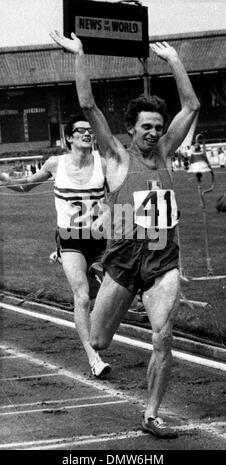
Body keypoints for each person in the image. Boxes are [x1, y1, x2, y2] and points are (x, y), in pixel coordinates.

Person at [50, 31, 200, 438]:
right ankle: (107, 285)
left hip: (161, 258)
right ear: (131, 130)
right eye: (146, 127)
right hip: (122, 259)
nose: (154, 132)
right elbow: (88, 105)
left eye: (158, 126)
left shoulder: (167, 152)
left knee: (163, 337)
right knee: (98, 342)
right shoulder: (116, 156)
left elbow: (192, 105)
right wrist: (80, 55)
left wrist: (174, 62)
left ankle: (151, 414)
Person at [0, 115, 111, 379]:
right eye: (80, 131)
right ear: (69, 138)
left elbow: (119, 196)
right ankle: (93, 358)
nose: (87, 134)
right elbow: (26, 187)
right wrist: (3, 178)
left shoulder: (103, 165)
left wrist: (107, 210)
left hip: (100, 239)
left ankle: (78, 264)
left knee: (101, 293)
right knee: (81, 296)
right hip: (70, 238)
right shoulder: (55, 163)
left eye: (89, 130)